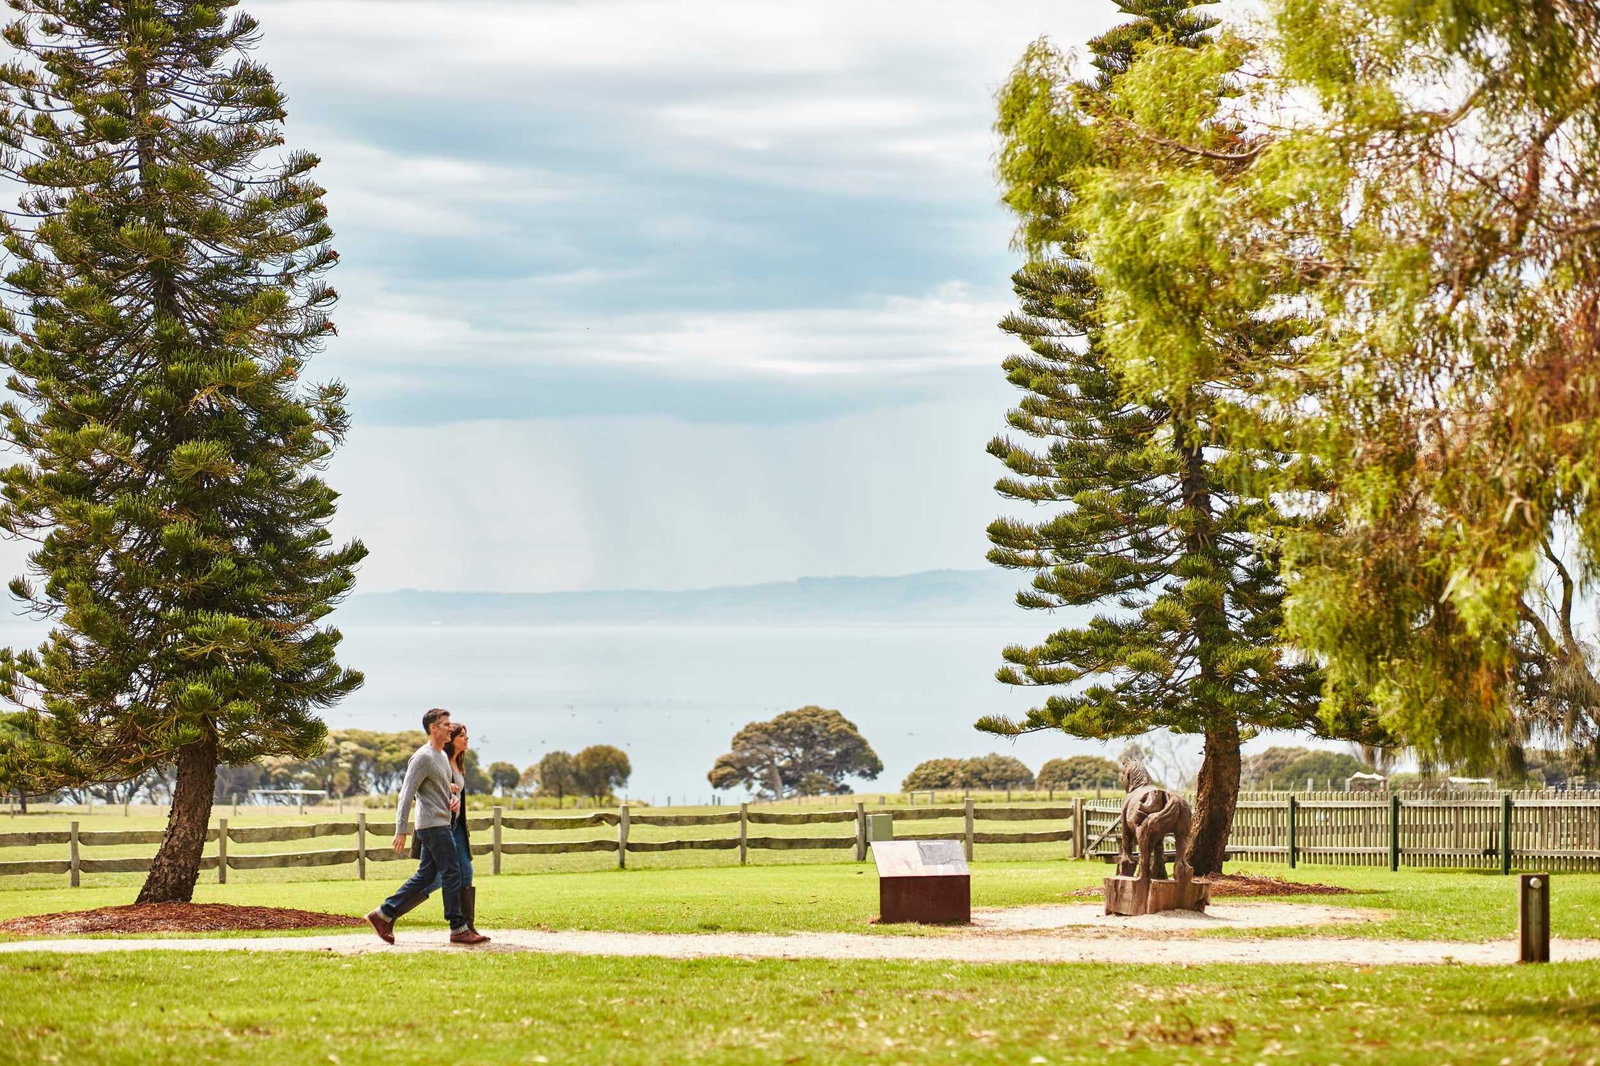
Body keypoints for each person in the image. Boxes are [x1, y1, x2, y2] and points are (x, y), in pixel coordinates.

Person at [365, 708, 488, 945]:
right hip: (432, 826)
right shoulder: (422, 757)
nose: (450, 728)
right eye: (446, 724)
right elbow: (406, 794)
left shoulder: (441, 755)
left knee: (426, 875)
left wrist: (451, 794)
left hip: (441, 822)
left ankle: (383, 914)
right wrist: (401, 829)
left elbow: (436, 788)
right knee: (452, 872)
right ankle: (458, 928)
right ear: (433, 728)